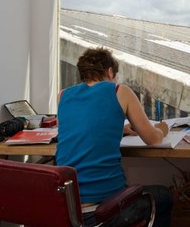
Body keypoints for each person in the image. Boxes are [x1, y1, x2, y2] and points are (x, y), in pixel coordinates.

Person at [56, 47, 172, 226]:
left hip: (68, 210)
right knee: (164, 196)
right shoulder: (119, 90)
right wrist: (162, 129)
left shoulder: (63, 95)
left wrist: (120, 128)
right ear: (110, 72)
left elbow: (83, 125)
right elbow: (153, 139)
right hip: (103, 212)